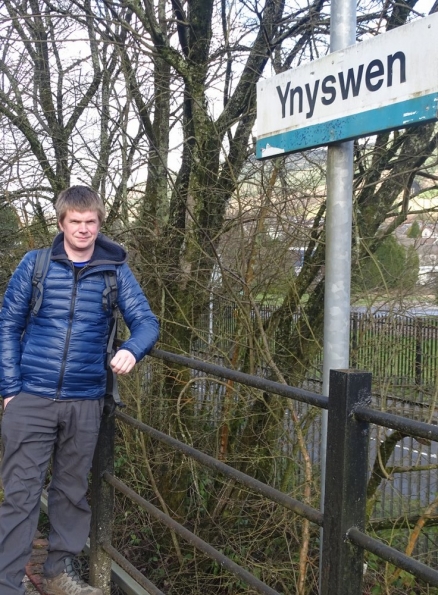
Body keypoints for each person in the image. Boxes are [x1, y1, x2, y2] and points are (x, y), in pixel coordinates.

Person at [0, 186, 160, 595]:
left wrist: (132, 349)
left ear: (99, 223)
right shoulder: (34, 265)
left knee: (71, 493)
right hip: (31, 397)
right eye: (76, 222)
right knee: (21, 494)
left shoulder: (115, 270)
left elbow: (147, 323)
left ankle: (56, 575)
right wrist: (10, 389)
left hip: (85, 401)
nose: (84, 229)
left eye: (91, 222)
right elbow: (7, 325)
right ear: (61, 223)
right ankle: (7, 582)